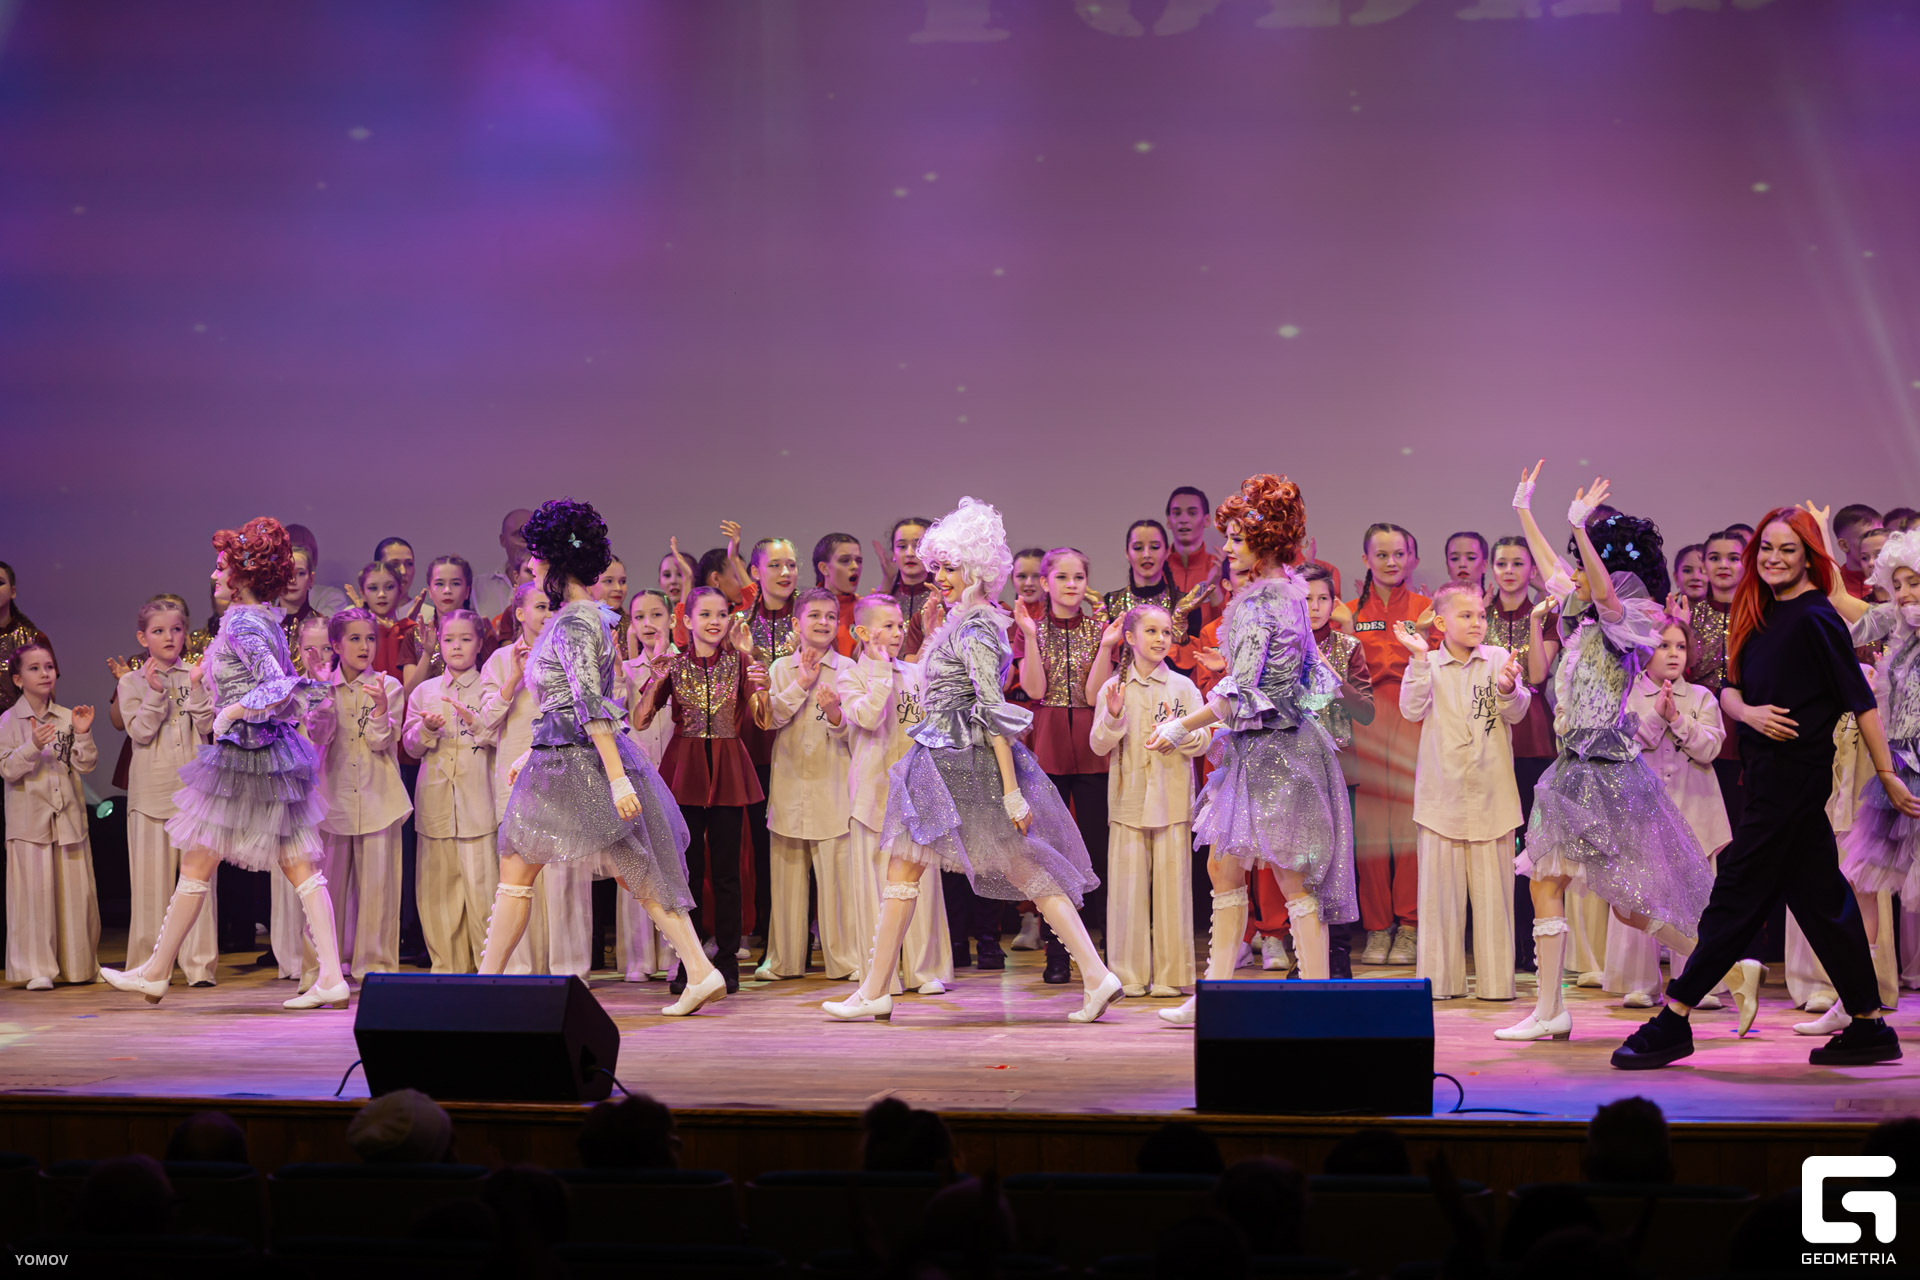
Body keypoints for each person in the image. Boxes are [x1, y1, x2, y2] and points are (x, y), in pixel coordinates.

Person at [1611, 505, 1913, 1068]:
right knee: (1824, 904)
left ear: (1808, 558)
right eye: (1767, 549)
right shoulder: (1763, 613)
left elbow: (1861, 700)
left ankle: (1675, 1016)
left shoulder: (1816, 617)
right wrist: (1747, 713)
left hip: (1793, 783)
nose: (1774, 559)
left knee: (1735, 895)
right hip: (1767, 778)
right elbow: (1729, 688)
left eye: (1788, 550)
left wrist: (1889, 775)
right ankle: (1870, 1025)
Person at [825, 496, 1112, 1023]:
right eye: (938, 567)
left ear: (977, 572)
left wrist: (1012, 792)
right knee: (904, 868)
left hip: (967, 765)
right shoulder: (959, 623)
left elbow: (991, 708)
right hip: (940, 761)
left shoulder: (978, 627)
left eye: (951, 568)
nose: (940, 577)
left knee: (1022, 867)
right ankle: (874, 988)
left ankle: (1095, 972)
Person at [481, 500, 721, 1017]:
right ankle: (700, 969)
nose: (530, 565)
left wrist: (617, 779)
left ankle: (482, 987)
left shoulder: (574, 622)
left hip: (574, 762)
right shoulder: (582, 618)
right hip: (560, 757)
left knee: (528, 866)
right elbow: (567, 703)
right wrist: (530, 754)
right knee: (621, 864)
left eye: (537, 557)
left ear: (556, 563)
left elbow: (591, 702)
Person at [1502, 465, 1715, 1044]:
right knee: (1546, 881)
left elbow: (1598, 590)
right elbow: (1561, 575)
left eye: (1587, 560)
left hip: (1607, 772)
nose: (1574, 571)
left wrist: (1581, 530)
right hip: (1576, 766)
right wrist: (1524, 509)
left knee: (1627, 904)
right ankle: (1551, 1009)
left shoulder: (1631, 621)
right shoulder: (1589, 620)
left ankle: (1720, 964)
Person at [103, 517, 346, 1010]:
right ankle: (328, 977)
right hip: (264, 755)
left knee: (228, 864)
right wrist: (209, 687)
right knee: (278, 865)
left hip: (246, 757)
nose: (214, 576)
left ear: (242, 575)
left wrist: (231, 712)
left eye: (221, 568)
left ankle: (157, 973)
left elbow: (278, 686)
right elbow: (279, 690)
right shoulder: (263, 618)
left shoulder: (241, 621)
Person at [1149, 474, 1357, 1026]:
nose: (1227, 547)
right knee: (1224, 866)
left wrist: (1179, 727)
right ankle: (1215, 993)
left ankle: (1315, 999)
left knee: (1290, 877)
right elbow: (1314, 679)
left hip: (1274, 754)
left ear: (1264, 544)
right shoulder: (1290, 595)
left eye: (1238, 538)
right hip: (1270, 747)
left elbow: (1240, 691)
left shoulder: (1258, 604)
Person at [1801, 524, 1920, 1034]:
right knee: (1863, 881)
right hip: (1899, 769)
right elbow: (1839, 599)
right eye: (1899, 584)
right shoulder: (1897, 624)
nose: (1906, 594)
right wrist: (1823, 540)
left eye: (1915, 583)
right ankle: (1855, 1001)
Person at [1395, 582, 1530, 1002]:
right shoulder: (1428, 662)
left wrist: (1508, 689)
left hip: (1492, 797)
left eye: (1482, 615)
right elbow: (1410, 709)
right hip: (1441, 798)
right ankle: (1440, 984)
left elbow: (1517, 712)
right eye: (1466, 615)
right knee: (1439, 902)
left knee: (1494, 901)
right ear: (1441, 622)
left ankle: (1496, 986)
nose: (1477, 623)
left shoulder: (1498, 659)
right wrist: (1418, 659)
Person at [635, 586, 766, 997]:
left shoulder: (741, 661)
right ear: (687, 621)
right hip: (685, 770)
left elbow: (763, 720)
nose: (714, 621)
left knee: (727, 873)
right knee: (685, 872)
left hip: (728, 769)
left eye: (721, 614)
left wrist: (761, 683)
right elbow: (640, 721)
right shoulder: (673, 665)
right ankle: (689, 961)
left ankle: (727, 961)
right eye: (705, 614)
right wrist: (655, 680)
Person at [1605, 611, 1731, 1008]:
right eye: (1664, 646)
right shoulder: (1627, 694)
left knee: (1694, 896)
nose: (1674, 654)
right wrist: (1658, 717)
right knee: (1642, 893)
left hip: (1695, 808)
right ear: (1646, 650)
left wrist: (1678, 719)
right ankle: (1640, 981)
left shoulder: (1702, 697)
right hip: (1642, 811)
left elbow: (1710, 748)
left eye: (1680, 646)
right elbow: (1625, 743)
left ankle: (1696, 982)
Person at [1090, 603, 1212, 998]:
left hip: (1171, 800)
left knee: (1174, 890)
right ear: (1129, 638)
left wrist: (1180, 733)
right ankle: (1128, 974)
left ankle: (1171, 975)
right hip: (1127, 801)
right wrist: (1113, 717)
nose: (1161, 639)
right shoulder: (1114, 687)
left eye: (1166, 632)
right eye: (1152, 631)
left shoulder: (1182, 687)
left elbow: (1204, 739)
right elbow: (1098, 745)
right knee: (1126, 892)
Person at [836, 593, 953, 995]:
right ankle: (880, 977)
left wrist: (933, 636)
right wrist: (881, 670)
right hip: (873, 795)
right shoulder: (850, 675)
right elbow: (868, 717)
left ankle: (924, 969)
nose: (897, 633)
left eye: (900, 625)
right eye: (887, 626)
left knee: (920, 881)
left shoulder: (914, 672)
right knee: (876, 887)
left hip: (916, 792)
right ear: (862, 632)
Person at [1013, 547, 1111, 984]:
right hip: (1048, 744)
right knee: (1051, 852)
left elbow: (1093, 696)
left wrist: (1106, 644)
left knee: (1095, 850)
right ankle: (1057, 952)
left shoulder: (1099, 630)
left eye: (1078, 577)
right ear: (1046, 582)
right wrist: (1030, 635)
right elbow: (1035, 689)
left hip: (1092, 749)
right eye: (1062, 577)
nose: (1071, 584)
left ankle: (1101, 951)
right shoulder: (1029, 629)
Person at [118, 598, 218, 988]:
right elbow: (140, 732)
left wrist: (195, 688)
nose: (169, 637)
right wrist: (155, 693)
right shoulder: (131, 682)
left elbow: (207, 725)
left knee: (196, 881)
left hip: (193, 791)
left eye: (176, 629)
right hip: (151, 793)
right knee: (150, 886)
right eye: (158, 631)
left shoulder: (196, 673)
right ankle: (146, 964)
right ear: (143, 637)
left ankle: (199, 965)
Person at [308, 608, 411, 981]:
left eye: (370, 638)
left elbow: (382, 741)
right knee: (325, 892)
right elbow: (318, 736)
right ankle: (322, 970)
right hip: (332, 799)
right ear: (336, 645)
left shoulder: (389, 686)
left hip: (377, 798)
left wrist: (381, 709)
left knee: (378, 893)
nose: (365, 646)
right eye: (355, 638)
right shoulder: (321, 685)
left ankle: (376, 969)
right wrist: (321, 696)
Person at [759, 589, 857, 980]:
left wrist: (834, 713)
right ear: (797, 623)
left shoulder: (848, 669)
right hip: (788, 786)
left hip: (832, 787)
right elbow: (769, 719)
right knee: (785, 881)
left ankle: (844, 960)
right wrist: (801, 683)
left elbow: (854, 730)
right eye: (814, 615)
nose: (823, 622)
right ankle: (783, 961)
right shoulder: (780, 668)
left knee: (837, 882)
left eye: (831, 616)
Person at [1344, 523, 1429, 966]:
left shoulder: (1427, 609)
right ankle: (1377, 928)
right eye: (1382, 555)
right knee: (1371, 835)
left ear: (1412, 558)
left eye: (1399, 553)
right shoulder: (1346, 613)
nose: (1391, 562)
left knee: (1410, 831)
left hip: (1412, 723)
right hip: (1365, 725)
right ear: (1366, 560)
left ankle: (1410, 926)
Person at [403, 610, 498, 973]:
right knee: (438, 894)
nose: (457, 646)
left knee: (483, 892)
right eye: (449, 639)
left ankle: (487, 970)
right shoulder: (425, 691)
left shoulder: (489, 688)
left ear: (480, 643)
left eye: (466, 639)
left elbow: (500, 739)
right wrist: (426, 729)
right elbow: (410, 747)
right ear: (439, 644)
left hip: (479, 805)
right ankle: (447, 970)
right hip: (436, 806)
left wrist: (478, 726)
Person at [1, 639, 100, 989]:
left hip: (67, 818)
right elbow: (7, 769)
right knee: (34, 896)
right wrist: (33, 746)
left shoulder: (67, 716)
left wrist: (83, 734)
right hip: (29, 822)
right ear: (18, 679)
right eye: (34, 668)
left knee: (75, 895)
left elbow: (85, 765)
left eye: (48, 667)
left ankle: (78, 966)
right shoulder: (9, 720)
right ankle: (36, 968)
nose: (45, 673)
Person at [476, 582, 550, 974]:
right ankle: (519, 970)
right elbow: (484, 722)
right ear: (520, 613)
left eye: (552, 606)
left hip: (558, 771)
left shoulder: (564, 654)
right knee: (518, 876)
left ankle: (567, 969)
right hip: (515, 776)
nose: (547, 613)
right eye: (540, 606)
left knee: (560, 878)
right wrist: (514, 679)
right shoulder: (500, 660)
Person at [476, 507, 536, 620]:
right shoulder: (479, 586)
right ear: (503, 540)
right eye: (518, 534)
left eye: (531, 533)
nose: (526, 540)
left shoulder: (552, 584)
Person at [0, 562, 44, 716]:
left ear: (12, 592)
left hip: (21, 726)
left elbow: (46, 698)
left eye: (0, 583)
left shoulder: (34, 639)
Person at [811, 532, 865, 657]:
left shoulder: (864, 609)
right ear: (824, 568)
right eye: (845, 560)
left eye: (859, 561)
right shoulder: (806, 608)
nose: (855, 566)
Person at [1833, 504, 1883, 600]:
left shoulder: (1895, 581)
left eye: (1880, 534)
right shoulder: (1831, 588)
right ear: (1844, 545)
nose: (1878, 543)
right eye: (1867, 536)